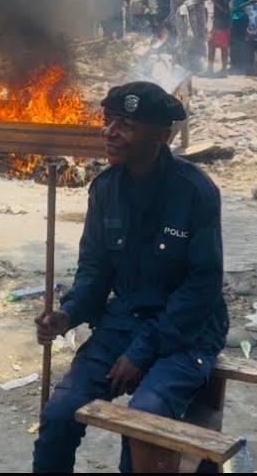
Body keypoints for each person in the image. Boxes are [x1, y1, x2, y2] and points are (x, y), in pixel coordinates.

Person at [32, 82, 228, 474]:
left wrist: (143, 351)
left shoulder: (195, 192)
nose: (110, 132)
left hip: (186, 333)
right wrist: (67, 315)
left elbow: (202, 288)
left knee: (144, 424)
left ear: (161, 136)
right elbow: (94, 273)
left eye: (125, 124)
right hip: (124, 322)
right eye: (108, 121)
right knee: (58, 416)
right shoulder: (105, 189)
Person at [228, 0, 257, 74]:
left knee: (239, 42)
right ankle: (234, 65)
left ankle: (240, 67)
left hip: (241, 18)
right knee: (233, 42)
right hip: (234, 17)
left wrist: (242, 5)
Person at [206, 0, 232, 77]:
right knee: (211, 45)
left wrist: (214, 2)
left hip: (223, 25)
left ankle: (223, 70)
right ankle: (210, 69)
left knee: (223, 48)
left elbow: (226, 11)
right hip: (217, 24)